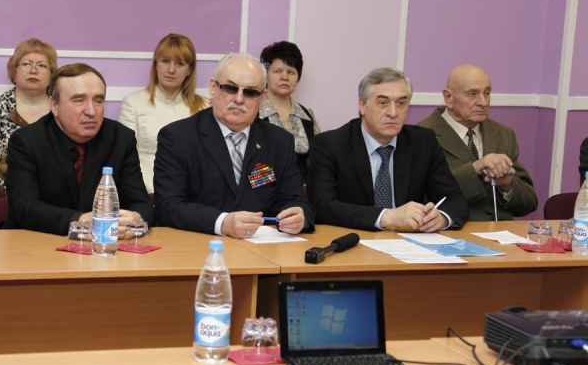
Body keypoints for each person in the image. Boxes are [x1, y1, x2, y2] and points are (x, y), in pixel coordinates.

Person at [153, 53, 313, 239]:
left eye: (250, 92)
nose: (239, 99)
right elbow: (168, 206)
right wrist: (222, 223)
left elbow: (296, 200)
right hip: (200, 245)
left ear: (262, 97)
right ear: (213, 88)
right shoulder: (178, 137)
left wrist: (297, 217)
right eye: (230, 88)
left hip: (261, 249)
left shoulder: (280, 141)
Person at [307, 66, 468, 232]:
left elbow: (454, 199)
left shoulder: (423, 142)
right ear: (362, 105)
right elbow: (322, 206)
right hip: (355, 238)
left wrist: (441, 218)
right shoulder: (329, 145)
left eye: (401, 103)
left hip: (407, 241)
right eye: (383, 103)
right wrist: (387, 216)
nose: (393, 112)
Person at [4, 63, 154, 235]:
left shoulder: (120, 138)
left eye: (98, 101)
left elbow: (142, 204)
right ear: (54, 105)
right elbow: (24, 208)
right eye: (79, 100)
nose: (91, 111)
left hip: (104, 243)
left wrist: (135, 218)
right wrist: (80, 220)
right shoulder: (27, 141)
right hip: (39, 241)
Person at [417, 64, 537, 221]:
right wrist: (474, 169)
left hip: (501, 232)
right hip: (451, 231)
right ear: (448, 97)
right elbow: (420, 201)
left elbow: (529, 203)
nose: (483, 102)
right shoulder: (421, 135)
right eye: (472, 94)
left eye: (487, 93)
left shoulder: (504, 134)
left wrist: (507, 185)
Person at [118, 33, 207, 193]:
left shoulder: (205, 107)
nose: (171, 70)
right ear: (156, 65)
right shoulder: (133, 103)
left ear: (189, 70)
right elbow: (124, 158)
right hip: (146, 192)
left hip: (191, 194)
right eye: (165, 61)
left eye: (179, 63)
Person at [0, 38, 58, 198]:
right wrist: (19, 197)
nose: (33, 70)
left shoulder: (61, 109)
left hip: (57, 199)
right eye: (26, 64)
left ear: (51, 74)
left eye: (42, 65)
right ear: (14, 71)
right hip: (8, 198)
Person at [258, 41, 320, 183]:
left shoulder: (307, 116)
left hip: (304, 192)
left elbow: (318, 161)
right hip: (264, 191)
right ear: (266, 75)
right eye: (277, 71)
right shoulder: (253, 114)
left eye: (291, 72)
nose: (285, 77)